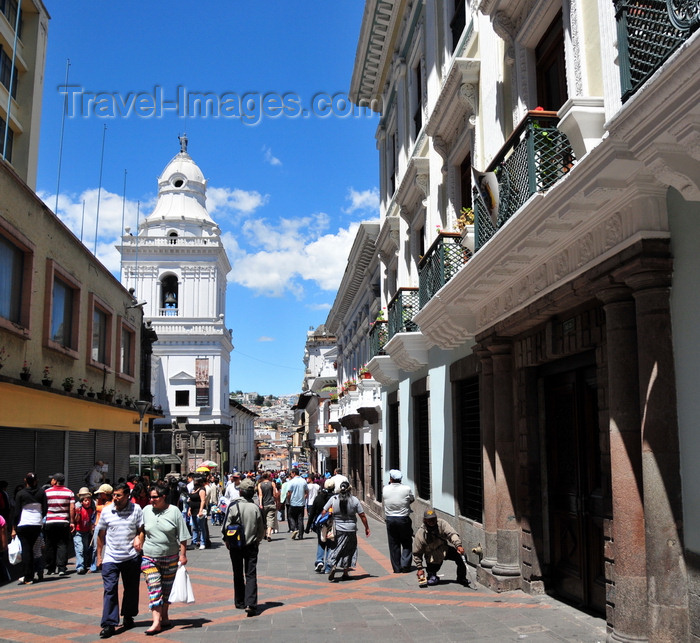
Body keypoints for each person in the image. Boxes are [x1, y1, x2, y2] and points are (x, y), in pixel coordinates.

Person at [136, 483, 189, 635]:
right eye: (150, 497)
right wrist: (137, 538)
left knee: (166, 589)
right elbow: (140, 529)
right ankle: (156, 621)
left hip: (170, 555)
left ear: (163, 497)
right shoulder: (146, 510)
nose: (151, 500)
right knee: (154, 587)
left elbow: (183, 536)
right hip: (149, 555)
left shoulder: (174, 511)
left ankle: (164, 616)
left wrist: (183, 554)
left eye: (154, 497)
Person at [96, 483, 144, 639]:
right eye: (114, 495)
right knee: (110, 589)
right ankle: (109, 624)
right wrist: (99, 556)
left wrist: (139, 539)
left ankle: (128, 616)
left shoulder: (136, 509)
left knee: (131, 589)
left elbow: (141, 530)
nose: (115, 498)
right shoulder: (106, 511)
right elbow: (101, 534)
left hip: (131, 556)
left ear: (127, 495)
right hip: (111, 557)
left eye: (118, 495)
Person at [222, 477, 264, 616]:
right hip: (251, 545)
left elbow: (226, 526)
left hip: (235, 545)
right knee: (251, 574)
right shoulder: (256, 508)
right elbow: (261, 529)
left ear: (240, 492)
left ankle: (240, 601)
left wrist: (227, 540)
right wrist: (257, 541)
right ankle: (251, 603)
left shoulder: (233, 506)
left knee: (238, 573)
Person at [321, 481, 370, 581]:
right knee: (350, 549)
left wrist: (327, 519)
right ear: (349, 489)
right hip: (351, 529)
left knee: (336, 547)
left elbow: (324, 511)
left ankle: (332, 564)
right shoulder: (354, 500)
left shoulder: (334, 499)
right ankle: (345, 572)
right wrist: (366, 527)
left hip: (337, 528)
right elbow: (362, 515)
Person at [412, 509, 468, 587]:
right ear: (425, 520)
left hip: (444, 549)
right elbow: (417, 553)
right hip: (432, 556)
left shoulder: (441, 523)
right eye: (429, 520)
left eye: (433, 519)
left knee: (461, 557)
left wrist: (458, 545)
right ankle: (432, 574)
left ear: (436, 518)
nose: (432, 521)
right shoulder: (421, 534)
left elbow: (451, 534)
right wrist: (419, 568)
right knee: (432, 581)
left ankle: (461, 578)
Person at [11, 472, 47, 585]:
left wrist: (14, 526)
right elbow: (45, 509)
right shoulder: (41, 492)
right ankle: (30, 575)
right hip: (36, 524)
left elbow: (16, 512)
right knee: (30, 549)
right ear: (36, 481)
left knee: (26, 549)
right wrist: (39, 517)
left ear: (25, 481)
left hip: (23, 524)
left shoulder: (21, 494)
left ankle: (28, 576)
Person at [382, 469, 415, 573]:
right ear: (400, 479)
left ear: (391, 478)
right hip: (403, 518)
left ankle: (396, 567)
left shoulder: (385, 489)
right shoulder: (406, 488)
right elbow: (412, 499)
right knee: (406, 541)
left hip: (390, 519)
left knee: (393, 543)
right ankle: (405, 564)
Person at [44, 472, 75, 577]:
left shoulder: (47, 492)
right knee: (62, 544)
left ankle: (50, 568)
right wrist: (72, 522)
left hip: (50, 521)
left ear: (55, 481)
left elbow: (44, 507)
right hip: (63, 522)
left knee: (50, 544)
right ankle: (62, 568)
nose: (51, 481)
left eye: (52, 479)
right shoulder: (69, 492)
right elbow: (72, 508)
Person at [306, 479, 335, 573]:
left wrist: (307, 527)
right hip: (332, 524)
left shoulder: (319, 498)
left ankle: (319, 561)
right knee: (330, 545)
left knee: (321, 542)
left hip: (320, 524)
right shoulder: (335, 498)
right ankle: (328, 566)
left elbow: (312, 513)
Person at [73, 487, 96, 574]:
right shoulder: (78, 506)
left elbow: (90, 520)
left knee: (85, 548)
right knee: (80, 548)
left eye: (88, 500)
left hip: (86, 531)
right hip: (78, 531)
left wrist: (91, 529)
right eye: (85, 500)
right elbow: (76, 520)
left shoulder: (91, 508)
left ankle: (84, 564)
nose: (87, 502)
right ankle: (80, 567)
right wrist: (78, 513)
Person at [286, 468, 308, 539]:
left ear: (294, 473)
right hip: (301, 503)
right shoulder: (303, 481)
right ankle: (301, 535)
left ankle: (294, 529)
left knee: (291, 516)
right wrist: (303, 498)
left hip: (293, 502)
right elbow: (306, 492)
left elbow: (289, 493)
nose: (291, 475)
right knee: (300, 518)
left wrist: (289, 500)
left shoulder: (291, 482)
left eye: (291, 473)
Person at [257, 471, 279, 542]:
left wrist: (260, 504)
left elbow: (260, 495)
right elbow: (274, 494)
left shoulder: (260, 484)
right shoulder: (272, 483)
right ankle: (269, 534)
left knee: (264, 519)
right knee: (270, 519)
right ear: (269, 477)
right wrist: (276, 502)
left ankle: (264, 534)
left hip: (264, 504)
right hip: (271, 503)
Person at [187, 476, 207, 549]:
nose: (194, 483)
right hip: (193, 510)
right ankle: (194, 542)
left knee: (201, 527)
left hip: (199, 510)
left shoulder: (202, 490)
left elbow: (203, 500)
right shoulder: (193, 490)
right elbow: (191, 500)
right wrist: (189, 509)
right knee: (195, 527)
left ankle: (203, 542)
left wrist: (201, 510)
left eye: (196, 482)